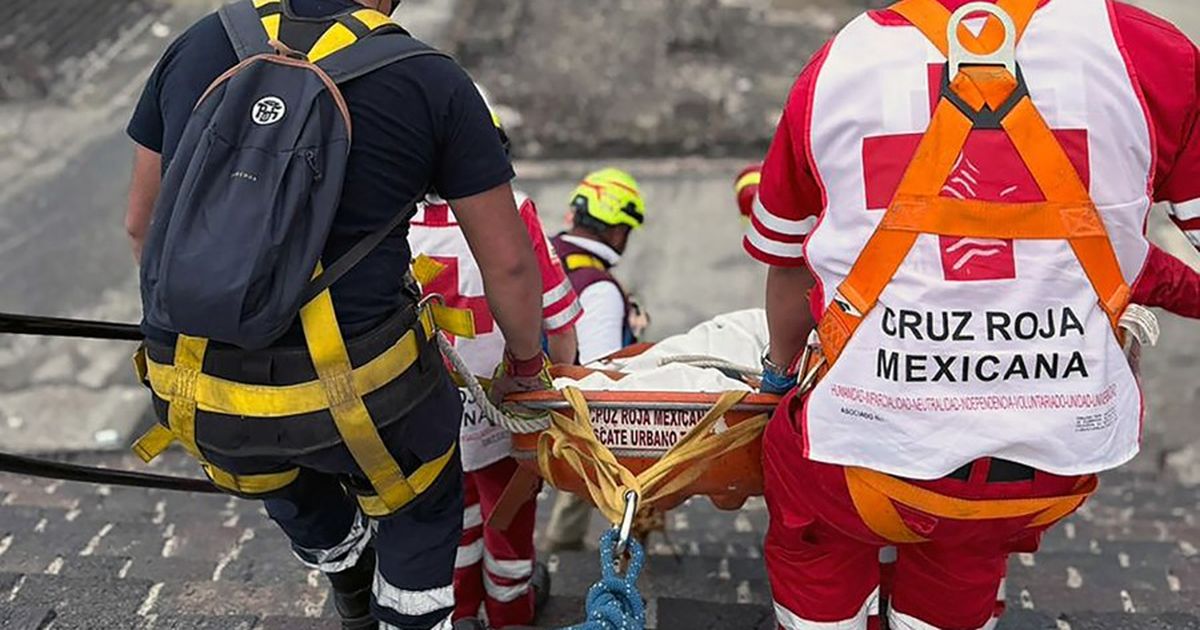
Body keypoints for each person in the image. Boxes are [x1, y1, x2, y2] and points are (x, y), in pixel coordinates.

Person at [745, 0, 1200, 627]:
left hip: (859, 460)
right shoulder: (1150, 52)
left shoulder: (838, 62)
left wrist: (777, 376)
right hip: (1050, 460)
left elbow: (789, 263)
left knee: (809, 511)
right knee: (969, 545)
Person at [123, 1, 551, 628]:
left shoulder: (201, 43)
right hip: (366, 397)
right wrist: (525, 366)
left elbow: (142, 228)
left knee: (274, 469)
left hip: (201, 391)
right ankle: (403, 611)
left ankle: (341, 560)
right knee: (423, 506)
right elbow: (510, 265)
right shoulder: (430, 79)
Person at [408, 101, 583, 629]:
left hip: (429, 408)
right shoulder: (516, 209)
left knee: (454, 525)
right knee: (509, 529)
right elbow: (557, 312)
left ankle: (459, 614)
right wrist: (562, 393)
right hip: (510, 403)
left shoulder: (395, 216)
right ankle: (511, 617)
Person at [542, 167, 649, 551]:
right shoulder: (598, 287)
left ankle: (560, 540)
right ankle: (592, 544)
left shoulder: (547, 251)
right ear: (618, 230)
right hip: (564, 423)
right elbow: (600, 378)